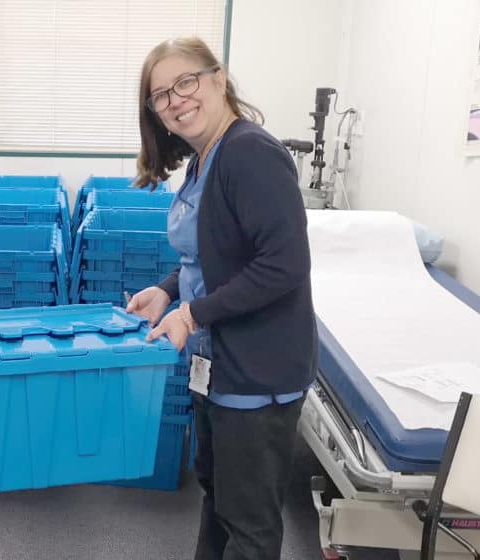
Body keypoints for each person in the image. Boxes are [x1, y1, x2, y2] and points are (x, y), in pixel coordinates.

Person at [125, 37, 317, 560]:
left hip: (257, 371)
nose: (176, 99)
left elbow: (284, 266)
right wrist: (167, 292)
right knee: (219, 498)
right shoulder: (205, 158)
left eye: (186, 81)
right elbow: (216, 251)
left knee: (249, 523)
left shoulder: (250, 154)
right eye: (161, 95)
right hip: (216, 362)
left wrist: (193, 312)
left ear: (218, 78)